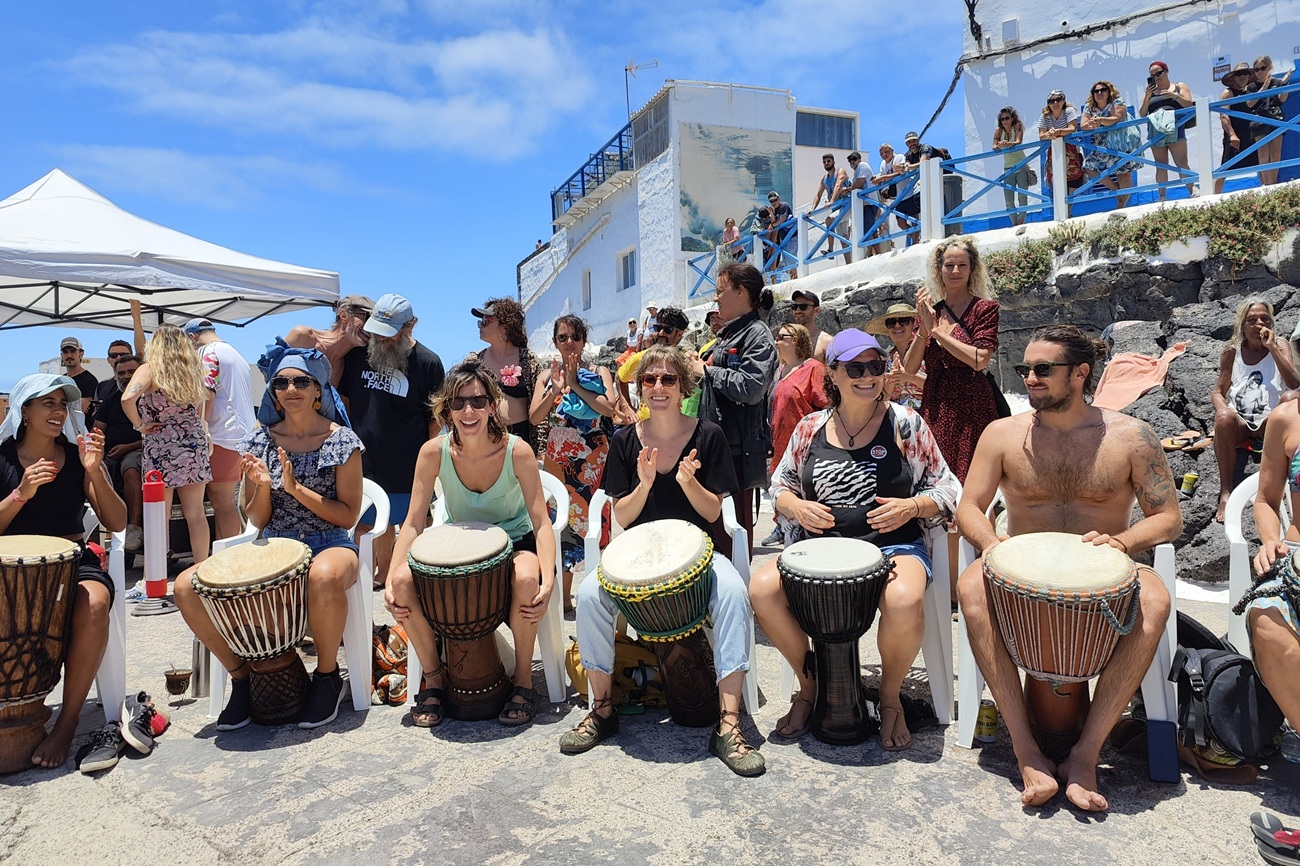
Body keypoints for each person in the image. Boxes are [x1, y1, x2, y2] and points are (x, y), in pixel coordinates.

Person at [956, 324, 1180, 811]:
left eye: (1042, 369)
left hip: (1107, 570)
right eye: (1025, 370)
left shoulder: (1131, 436)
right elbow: (968, 508)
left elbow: (1168, 519)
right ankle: (1025, 750)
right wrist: (993, 544)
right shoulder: (1002, 434)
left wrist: (1121, 542)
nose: (1030, 378)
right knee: (971, 586)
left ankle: (1085, 755)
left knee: (1157, 598)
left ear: (1080, 373)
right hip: (1019, 570)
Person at [559, 345, 764, 775]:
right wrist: (645, 482)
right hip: (636, 561)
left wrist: (688, 484)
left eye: (668, 379)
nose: (658, 388)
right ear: (639, 388)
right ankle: (602, 708)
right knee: (592, 594)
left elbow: (714, 513)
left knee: (732, 595)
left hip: (700, 555)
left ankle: (728, 722)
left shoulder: (709, 435)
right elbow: (622, 515)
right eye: (649, 380)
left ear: (683, 387)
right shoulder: (624, 441)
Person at [751, 329, 960, 749]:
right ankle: (809, 686)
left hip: (892, 545)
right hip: (818, 551)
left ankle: (889, 698)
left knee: (904, 600)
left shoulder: (905, 423)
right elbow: (781, 484)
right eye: (855, 368)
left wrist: (912, 507)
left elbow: (948, 487)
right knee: (762, 588)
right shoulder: (811, 427)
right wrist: (794, 506)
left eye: (876, 367)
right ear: (833, 372)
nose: (868, 376)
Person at [174, 348, 364, 730]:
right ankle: (242, 678)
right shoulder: (259, 440)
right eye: (281, 382)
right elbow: (257, 519)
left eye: (300, 381)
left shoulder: (342, 441)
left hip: (330, 541)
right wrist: (260, 486)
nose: (290, 388)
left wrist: (294, 489)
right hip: (274, 544)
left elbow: (348, 515)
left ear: (317, 389)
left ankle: (327, 677)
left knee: (323, 576)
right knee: (185, 587)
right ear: (273, 391)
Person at [384, 361, 556, 728]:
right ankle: (434, 679)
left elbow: (542, 522)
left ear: (493, 405)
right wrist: (389, 577)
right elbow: (414, 521)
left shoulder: (518, 451)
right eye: (458, 403)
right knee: (401, 584)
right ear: (446, 410)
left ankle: (524, 681)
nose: (469, 411)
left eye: (478, 401)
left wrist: (550, 577)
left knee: (527, 578)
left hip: (514, 541)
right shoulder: (433, 452)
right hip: (457, 547)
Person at [0, 374, 127, 771]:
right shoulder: (2, 458)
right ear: (25, 411)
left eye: (62, 404)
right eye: (48, 403)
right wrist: (21, 493)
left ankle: (67, 721)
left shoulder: (76, 457)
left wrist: (95, 471)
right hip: (9, 569)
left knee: (96, 603)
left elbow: (118, 521)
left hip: (71, 559)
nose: (59, 412)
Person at [338, 293, 445, 589]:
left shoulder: (428, 362)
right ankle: (381, 574)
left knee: (413, 524)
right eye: (378, 332)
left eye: (391, 333)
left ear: (411, 325)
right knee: (370, 524)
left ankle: (414, 579)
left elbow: (435, 418)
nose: (382, 340)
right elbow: (346, 400)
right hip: (365, 462)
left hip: (407, 464)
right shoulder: (358, 355)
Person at [689, 262, 777, 558]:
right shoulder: (727, 335)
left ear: (741, 292)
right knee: (711, 529)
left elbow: (752, 387)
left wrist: (707, 371)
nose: (716, 298)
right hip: (716, 444)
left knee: (733, 532)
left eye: (720, 291)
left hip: (738, 450)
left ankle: (737, 596)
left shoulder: (757, 335)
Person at [530, 314, 616, 613]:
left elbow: (609, 408)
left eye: (575, 337)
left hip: (592, 455)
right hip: (560, 457)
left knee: (595, 521)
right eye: (563, 337)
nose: (569, 343)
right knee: (562, 523)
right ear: (555, 341)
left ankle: (595, 591)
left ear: (583, 340)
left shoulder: (599, 371)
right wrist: (556, 388)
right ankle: (564, 596)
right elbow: (535, 417)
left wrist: (575, 385)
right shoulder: (545, 376)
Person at [902, 236, 1001, 483]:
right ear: (939, 270)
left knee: (973, 480)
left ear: (972, 269)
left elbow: (979, 360)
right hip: (936, 404)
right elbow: (910, 367)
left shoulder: (984, 309)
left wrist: (936, 331)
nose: (955, 271)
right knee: (935, 476)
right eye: (949, 265)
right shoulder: (929, 312)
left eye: (962, 265)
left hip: (972, 403)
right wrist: (924, 328)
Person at [122, 324, 211, 565]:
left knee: (158, 516)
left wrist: (139, 425)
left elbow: (128, 397)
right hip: (193, 445)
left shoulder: (149, 369)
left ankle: (154, 574)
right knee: (196, 514)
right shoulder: (193, 370)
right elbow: (206, 404)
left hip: (161, 445)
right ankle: (201, 570)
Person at [1244, 394, 1300, 759]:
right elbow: (1265, 499)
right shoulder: (1286, 418)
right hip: (1296, 557)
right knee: (1265, 617)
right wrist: (1270, 541)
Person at [1211, 299, 1299, 521]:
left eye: (1264, 319)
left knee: (1290, 398)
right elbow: (1218, 391)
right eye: (1252, 320)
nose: (1259, 324)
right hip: (1239, 421)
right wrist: (1225, 416)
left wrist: (1272, 348)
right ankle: (1225, 492)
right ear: (1242, 325)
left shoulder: (1280, 345)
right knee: (1223, 416)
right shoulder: (1233, 352)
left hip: (1270, 422)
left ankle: (1281, 486)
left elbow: (1293, 382)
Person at [185, 319, 255, 543]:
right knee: (233, 503)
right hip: (242, 435)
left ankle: (227, 556)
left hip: (222, 436)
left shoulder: (207, 353)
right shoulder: (235, 353)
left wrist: (199, 429)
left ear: (193, 337)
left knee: (222, 503)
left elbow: (207, 394)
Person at [763, 323, 829, 547]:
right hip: (780, 444)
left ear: (798, 340)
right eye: (777, 337)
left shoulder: (813, 368)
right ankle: (782, 529)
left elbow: (827, 405)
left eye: (783, 337)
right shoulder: (780, 370)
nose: (777, 341)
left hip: (805, 446)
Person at [470, 298, 542, 450]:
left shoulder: (528, 360)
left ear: (505, 327)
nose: (480, 325)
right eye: (480, 321)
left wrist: (541, 451)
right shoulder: (475, 361)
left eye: (486, 321)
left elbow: (540, 408)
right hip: (485, 438)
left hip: (520, 439)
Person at [92, 354, 145, 551]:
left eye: (131, 371)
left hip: (140, 450)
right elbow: (98, 428)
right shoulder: (112, 399)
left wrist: (128, 447)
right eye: (121, 373)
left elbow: (157, 434)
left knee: (130, 468)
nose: (126, 376)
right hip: (111, 453)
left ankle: (133, 527)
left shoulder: (151, 398)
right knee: (92, 470)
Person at [617, 307, 695, 420]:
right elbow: (620, 377)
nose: (661, 333)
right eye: (658, 328)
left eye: (667, 330)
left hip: (677, 428)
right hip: (645, 427)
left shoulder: (685, 360)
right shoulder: (642, 357)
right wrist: (626, 406)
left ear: (679, 334)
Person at [286, 295, 375, 387]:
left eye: (374, 323)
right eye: (367, 318)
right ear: (344, 315)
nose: (370, 327)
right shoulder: (303, 336)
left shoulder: (343, 365)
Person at [1139, 61, 1195, 198]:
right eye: (1152, 75)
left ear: (1166, 71)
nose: (1156, 77)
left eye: (1159, 73)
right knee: (1161, 165)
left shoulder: (1178, 86)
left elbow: (1189, 104)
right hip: (1156, 130)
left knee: (1181, 162)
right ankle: (1162, 196)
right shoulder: (1149, 93)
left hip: (1176, 128)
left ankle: (1193, 190)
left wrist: (1174, 96)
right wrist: (1147, 96)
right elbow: (1142, 113)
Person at [1079, 80, 1134, 208]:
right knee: (1088, 167)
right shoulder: (1089, 106)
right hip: (1101, 146)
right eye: (1096, 91)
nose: (1099, 93)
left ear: (1109, 91)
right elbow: (1083, 125)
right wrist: (1091, 124)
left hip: (1119, 142)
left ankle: (1122, 205)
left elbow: (1117, 118)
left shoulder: (1117, 101)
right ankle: (1115, 190)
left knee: (1123, 173)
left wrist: (1101, 120)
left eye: (1103, 90)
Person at [867, 303, 926, 411]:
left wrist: (909, 377)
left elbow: (940, 387)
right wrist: (892, 380)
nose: (897, 326)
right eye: (891, 323)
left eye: (903, 321)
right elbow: (884, 398)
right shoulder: (884, 359)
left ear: (913, 324)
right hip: (899, 418)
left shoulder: (928, 352)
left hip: (929, 414)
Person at [1215, 63, 1260, 195]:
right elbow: (1224, 116)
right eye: (1239, 74)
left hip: (1250, 136)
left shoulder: (1248, 93)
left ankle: (1266, 191)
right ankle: (1213, 198)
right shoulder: (1228, 93)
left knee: (1260, 164)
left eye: (1246, 73)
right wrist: (1232, 135)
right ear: (1233, 77)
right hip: (1235, 137)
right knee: (1225, 168)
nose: (1243, 76)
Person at [1248, 55, 1294, 186]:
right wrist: (1263, 88)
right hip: (1259, 119)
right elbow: (1250, 104)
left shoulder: (1277, 82)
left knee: (1275, 152)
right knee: (1263, 152)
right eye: (1256, 70)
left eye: (1263, 68)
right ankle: (1266, 184)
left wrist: (1284, 84)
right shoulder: (1252, 87)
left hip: (1275, 117)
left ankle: (1272, 183)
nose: (1259, 72)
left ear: (1269, 68)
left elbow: (1282, 99)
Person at [992, 107, 1031, 226]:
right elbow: (994, 146)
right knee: (1009, 201)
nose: (1004, 121)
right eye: (1002, 119)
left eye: (1007, 118)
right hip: (1008, 168)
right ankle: (1015, 224)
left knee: (1022, 197)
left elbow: (1018, 141)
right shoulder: (998, 131)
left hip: (1021, 165)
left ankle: (1020, 222)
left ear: (1012, 118)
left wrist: (1007, 144)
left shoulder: (1017, 126)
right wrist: (999, 145)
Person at [810, 153, 851, 264]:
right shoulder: (825, 178)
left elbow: (838, 185)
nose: (826, 163)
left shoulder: (840, 171)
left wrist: (832, 201)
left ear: (833, 161)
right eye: (824, 162)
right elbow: (818, 194)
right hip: (837, 209)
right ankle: (849, 264)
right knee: (844, 239)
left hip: (848, 205)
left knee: (829, 219)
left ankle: (830, 249)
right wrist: (812, 209)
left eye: (828, 161)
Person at [895, 133, 936, 245]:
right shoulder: (908, 155)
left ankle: (929, 236)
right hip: (924, 183)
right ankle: (917, 240)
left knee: (934, 211)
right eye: (909, 142)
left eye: (913, 141)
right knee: (916, 216)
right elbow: (907, 168)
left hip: (940, 178)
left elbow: (924, 162)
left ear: (918, 140)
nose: (911, 143)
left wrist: (906, 167)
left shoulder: (925, 147)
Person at [58, 336, 98, 417]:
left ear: (81, 354)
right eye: (65, 352)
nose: (69, 355)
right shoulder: (61, 380)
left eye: (73, 351)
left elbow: (79, 410)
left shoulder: (89, 380)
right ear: (61, 355)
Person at [789, 290, 832, 363]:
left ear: (816, 310)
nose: (797, 311)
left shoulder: (827, 342)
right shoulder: (786, 340)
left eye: (803, 307)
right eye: (794, 307)